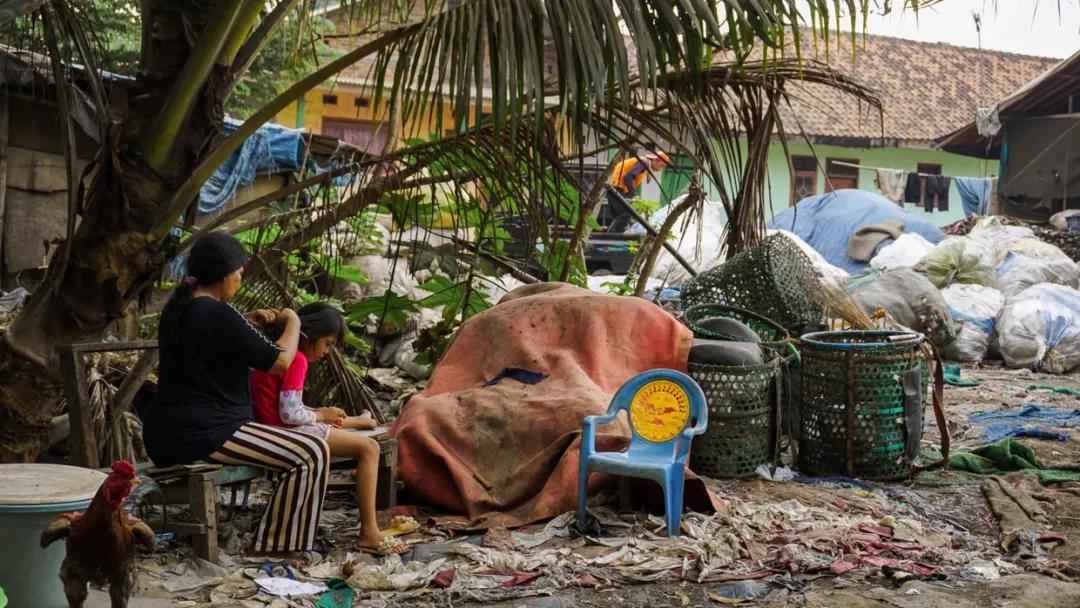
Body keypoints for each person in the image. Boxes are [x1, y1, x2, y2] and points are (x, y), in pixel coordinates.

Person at [142, 233, 327, 565]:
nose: (240, 281)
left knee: (308, 448)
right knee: (311, 451)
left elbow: (218, 343)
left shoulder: (181, 309)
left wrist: (244, 324)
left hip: (169, 432)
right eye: (240, 273)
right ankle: (274, 546)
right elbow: (280, 361)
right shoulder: (218, 314)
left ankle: (278, 540)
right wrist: (294, 321)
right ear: (225, 273)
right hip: (202, 431)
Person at [250, 302, 405, 555]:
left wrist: (322, 414)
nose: (326, 352)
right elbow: (290, 414)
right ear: (307, 336)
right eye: (327, 343)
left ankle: (359, 421)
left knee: (333, 421)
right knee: (369, 448)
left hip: (270, 427)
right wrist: (321, 415)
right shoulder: (296, 359)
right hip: (285, 432)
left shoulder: (272, 352)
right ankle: (369, 531)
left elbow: (286, 406)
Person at [604, 150, 671, 232]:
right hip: (617, 189)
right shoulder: (644, 162)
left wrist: (648, 173)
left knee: (622, 219)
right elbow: (628, 177)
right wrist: (635, 195)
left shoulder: (644, 164)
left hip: (615, 190)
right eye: (661, 165)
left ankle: (612, 236)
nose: (660, 169)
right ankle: (610, 237)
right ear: (656, 160)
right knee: (625, 215)